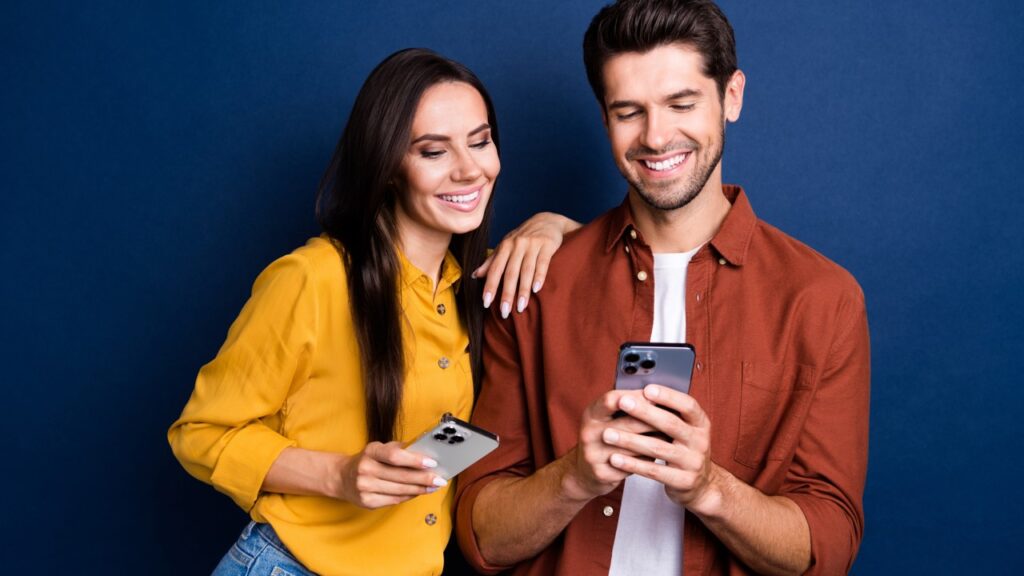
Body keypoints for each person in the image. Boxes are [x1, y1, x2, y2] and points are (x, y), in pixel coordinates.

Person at [455, 1, 870, 575]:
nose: (656, 136)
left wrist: (708, 488)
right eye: (629, 111)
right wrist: (575, 475)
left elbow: (828, 545)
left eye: (681, 103)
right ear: (604, 119)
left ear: (732, 97)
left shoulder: (822, 300)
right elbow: (480, 534)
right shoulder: (534, 283)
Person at [168, 48, 577, 576]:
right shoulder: (313, 278)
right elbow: (199, 434)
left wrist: (549, 224)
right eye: (434, 151)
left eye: (480, 141)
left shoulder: (475, 285)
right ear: (387, 167)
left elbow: (598, 245)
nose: (471, 169)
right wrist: (339, 476)